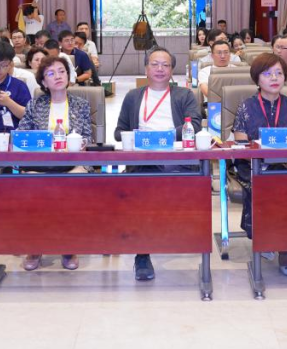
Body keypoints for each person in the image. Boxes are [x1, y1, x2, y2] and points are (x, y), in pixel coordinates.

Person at [114, 47, 201, 282]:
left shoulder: (184, 95)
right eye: (155, 64)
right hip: (143, 160)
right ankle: (142, 254)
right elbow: (119, 131)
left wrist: (165, 137)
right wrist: (140, 138)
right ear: (146, 69)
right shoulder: (133, 96)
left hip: (176, 159)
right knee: (140, 189)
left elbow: (195, 125)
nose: (160, 69)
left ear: (172, 70)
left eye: (165, 65)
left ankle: (191, 242)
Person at [232, 52, 287, 278]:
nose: (274, 78)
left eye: (279, 73)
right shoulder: (246, 107)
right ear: (257, 79)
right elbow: (240, 142)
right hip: (253, 165)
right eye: (267, 74)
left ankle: (283, 246)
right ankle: (269, 239)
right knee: (266, 183)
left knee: (284, 184)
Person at [18, 55, 93, 271]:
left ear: (68, 76)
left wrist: (80, 143)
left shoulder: (81, 105)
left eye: (62, 71)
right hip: (40, 164)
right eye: (51, 73)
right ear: (43, 81)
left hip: (73, 162)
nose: (58, 76)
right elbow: (22, 136)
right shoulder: (34, 105)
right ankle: (35, 246)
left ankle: (68, 246)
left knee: (71, 184)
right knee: (32, 186)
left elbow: (88, 136)